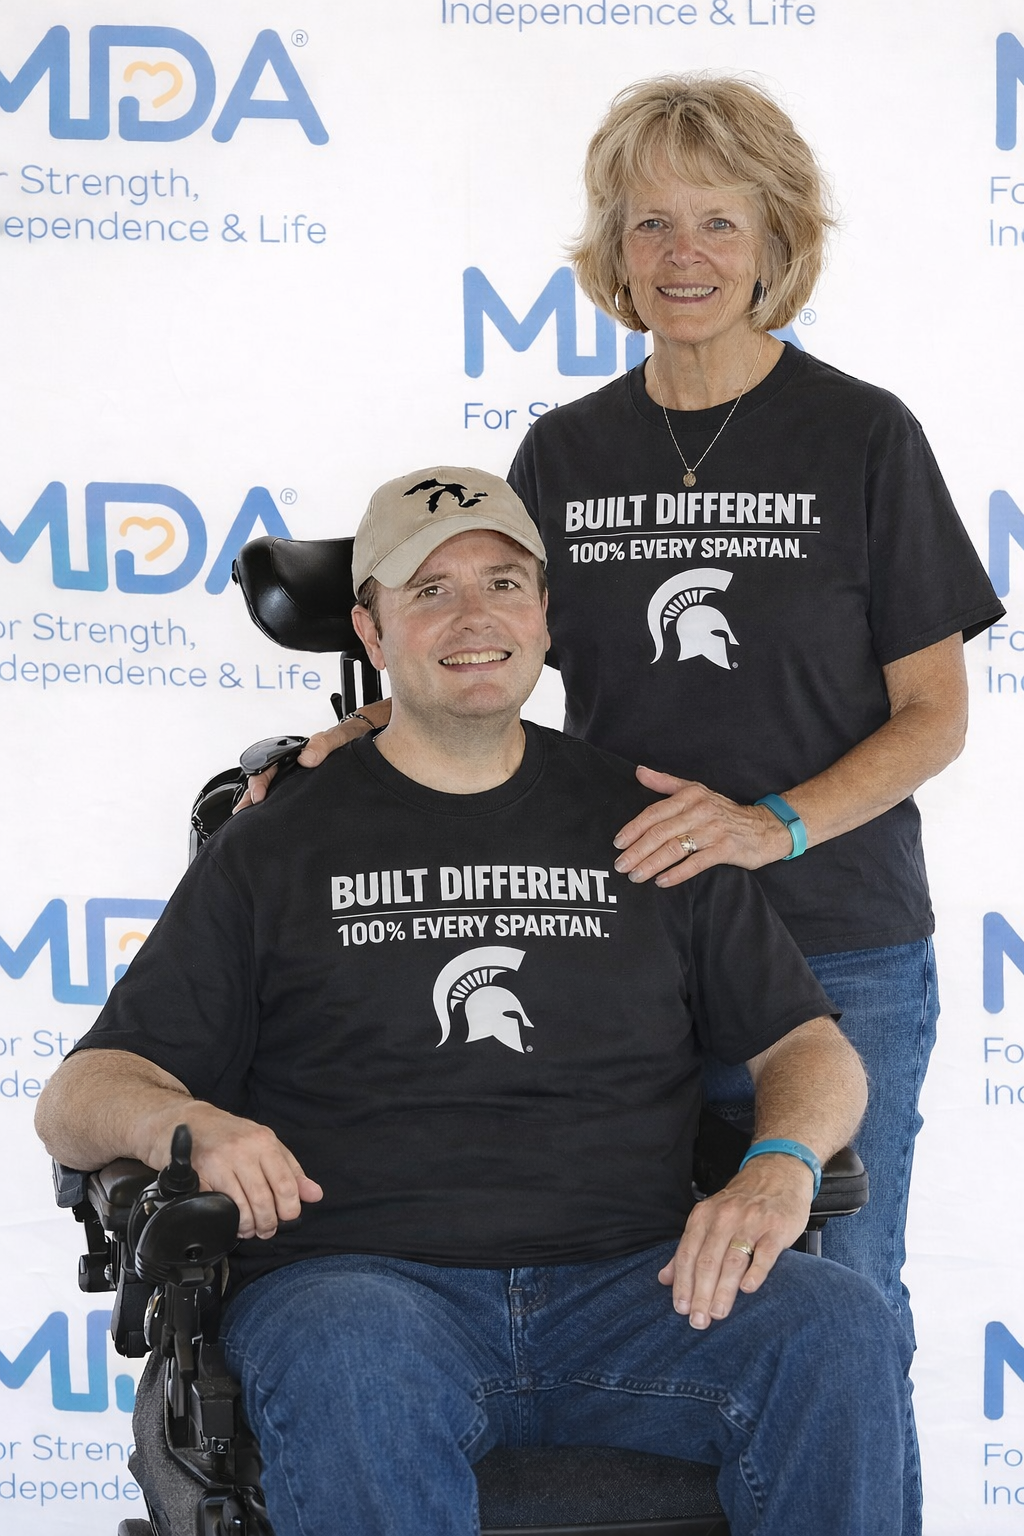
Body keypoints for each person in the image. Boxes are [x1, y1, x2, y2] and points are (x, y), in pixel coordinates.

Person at [245, 78, 1004, 1533]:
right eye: (650, 222)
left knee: (837, 1293)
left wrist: (769, 823)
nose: (683, 254)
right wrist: (359, 736)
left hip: (835, 942)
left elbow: (934, 715)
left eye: (717, 220)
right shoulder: (565, 453)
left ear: (774, 236)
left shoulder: (861, 435)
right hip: (621, 950)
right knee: (654, 1302)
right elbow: (491, 649)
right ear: (613, 247)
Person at [36, 469, 909, 1536]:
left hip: (639, 1286)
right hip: (364, 1287)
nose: (474, 617)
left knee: (834, 1324)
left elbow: (806, 1046)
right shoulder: (277, 846)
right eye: (430, 590)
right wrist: (188, 1126)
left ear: (543, 615)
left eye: (502, 583)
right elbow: (79, 1096)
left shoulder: (654, 825)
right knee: (351, 1351)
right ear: (372, 628)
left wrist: (780, 1164)